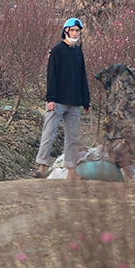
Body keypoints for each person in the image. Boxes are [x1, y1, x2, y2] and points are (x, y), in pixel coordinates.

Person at [35, 17, 91, 179]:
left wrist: (86, 101)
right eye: (72, 30)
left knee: (73, 138)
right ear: (65, 31)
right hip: (57, 100)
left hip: (74, 102)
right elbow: (51, 76)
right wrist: (50, 99)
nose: (75, 33)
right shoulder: (57, 51)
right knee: (49, 133)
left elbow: (82, 77)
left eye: (77, 31)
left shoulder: (78, 51)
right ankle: (42, 168)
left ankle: (72, 173)